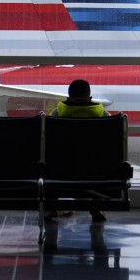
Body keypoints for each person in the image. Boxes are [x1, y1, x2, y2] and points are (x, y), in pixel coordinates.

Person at [49, 79, 110, 222]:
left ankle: (50, 207)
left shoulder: (56, 114)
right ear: (90, 98)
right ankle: (97, 206)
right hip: (95, 170)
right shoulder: (104, 116)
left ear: (68, 98)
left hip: (62, 171)